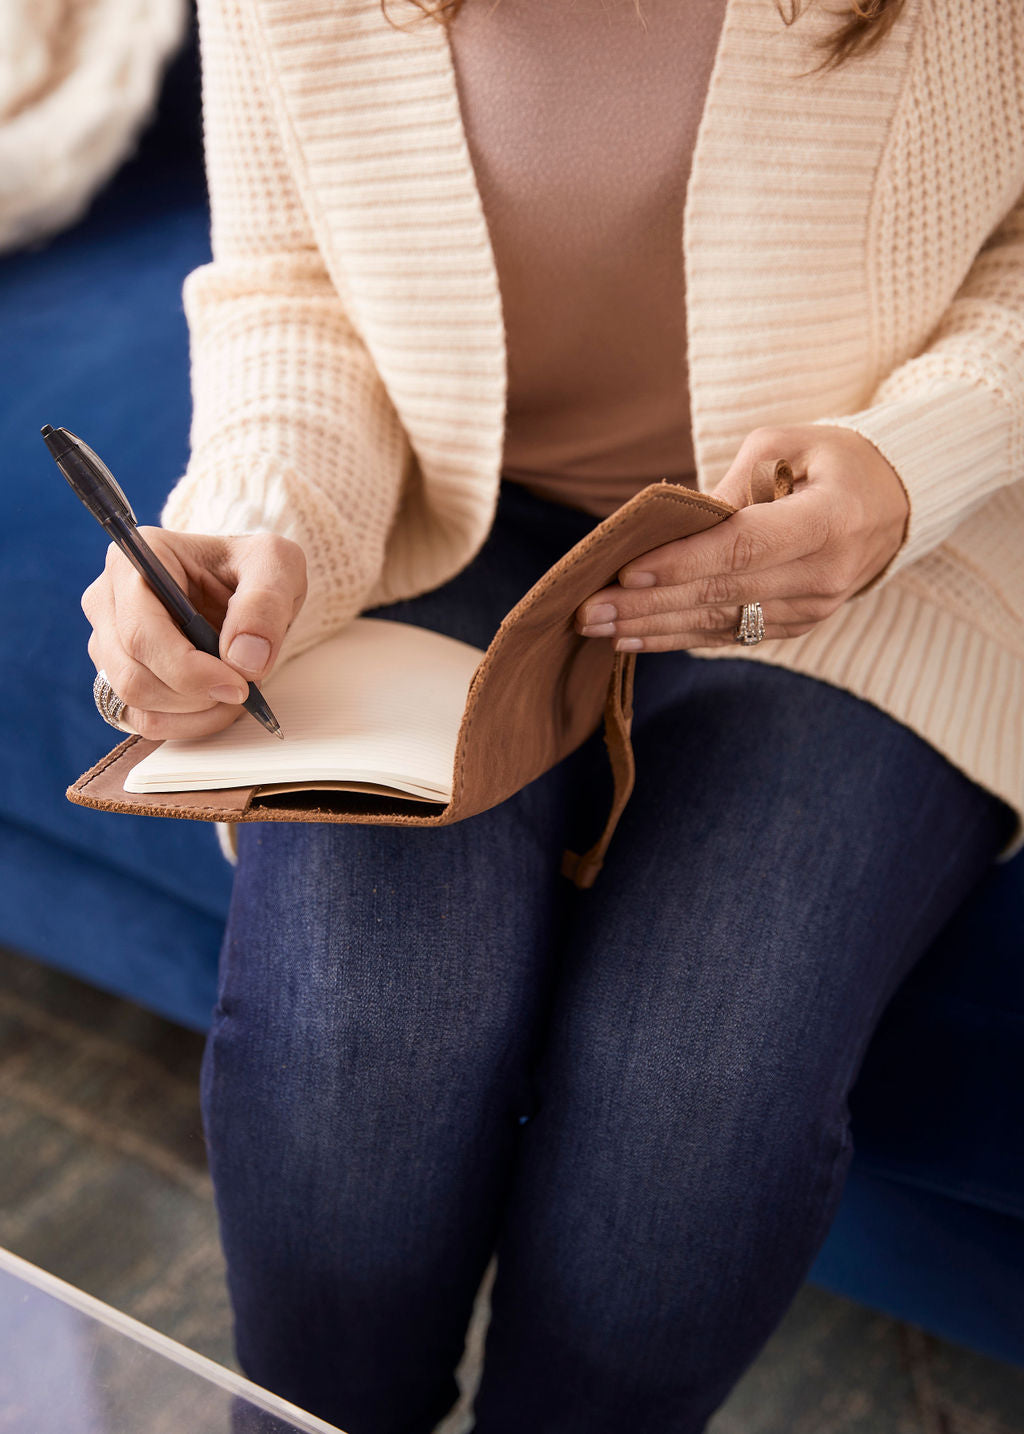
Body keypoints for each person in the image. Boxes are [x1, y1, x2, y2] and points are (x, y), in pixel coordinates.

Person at [81, 0, 1024, 1430]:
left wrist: (908, 467)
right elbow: (291, 285)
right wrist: (260, 525)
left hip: (881, 561)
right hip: (445, 519)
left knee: (695, 1098)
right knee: (351, 1039)